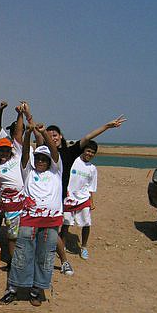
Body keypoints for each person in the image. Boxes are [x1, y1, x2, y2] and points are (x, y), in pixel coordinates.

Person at [30, 107, 125, 275]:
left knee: (53, 232)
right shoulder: (43, 154)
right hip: (40, 196)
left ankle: (64, 261)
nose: (52, 137)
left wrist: (107, 126)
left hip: (57, 198)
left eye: (55, 135)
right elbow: (37, 135)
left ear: (60, 137)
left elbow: (87, 137)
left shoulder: (69, 152)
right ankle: (40, 257)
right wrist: (27, 114)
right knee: (37, 230)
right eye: (49, 135)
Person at [0, 122, 62, 307]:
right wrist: (27, 134)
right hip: (29, 220)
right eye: (39, 158)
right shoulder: (28, 171)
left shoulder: (56, 172)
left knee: (45, 256)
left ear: (50, 160)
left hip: (51, 222)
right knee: (21, 255)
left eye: (44, 158)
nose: (41, 161)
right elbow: (25, 152)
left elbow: (55, 152)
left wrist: (43, 132)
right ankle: (13, 289)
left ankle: (36, 290)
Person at [0, 105, 26, 269]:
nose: (4, 153)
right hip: (7, 206)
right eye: (1, 150)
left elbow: (18, 133)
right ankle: (14, 263)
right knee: (11, 236)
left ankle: (23, 262)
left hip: (23, 203)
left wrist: (20, 114)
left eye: (6, 150)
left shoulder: (17, 156)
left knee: (24, 236)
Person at [62, 141, 98, 260]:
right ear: (83, 150)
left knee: (86, 223)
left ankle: (84, 247)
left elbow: (91, 187)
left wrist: (91, 201)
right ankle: (62, 246)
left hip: (83, 199)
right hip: (69, 198)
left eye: (93, 152)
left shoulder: (92, 169)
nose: (90, 154)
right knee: (66, 223)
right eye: (88, 151)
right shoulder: (74, 161)